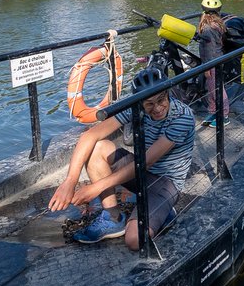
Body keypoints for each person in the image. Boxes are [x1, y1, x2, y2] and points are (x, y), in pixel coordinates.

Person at [47, 67, 195, 248]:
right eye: (149, 104)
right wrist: (70, 181)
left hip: (166, 184)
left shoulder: (182, 117)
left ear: (167, 93)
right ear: (141, 102)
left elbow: (147, 160)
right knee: (97, 147)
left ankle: (163, 213)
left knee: (134, 241)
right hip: (142, 172)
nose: (157, 108)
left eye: (161, 99)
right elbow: (90, 135)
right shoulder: (136, 105)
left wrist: (94, 188)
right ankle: (113, 217)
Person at [197, 0, 230, 127]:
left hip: (212, 63)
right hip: (217, 60)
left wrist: (207, 68)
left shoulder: (208, 29)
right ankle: (213, 111)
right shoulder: (217, 24)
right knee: (210, 88)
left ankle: (224, 116)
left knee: (217, 89)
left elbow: (209, 50)